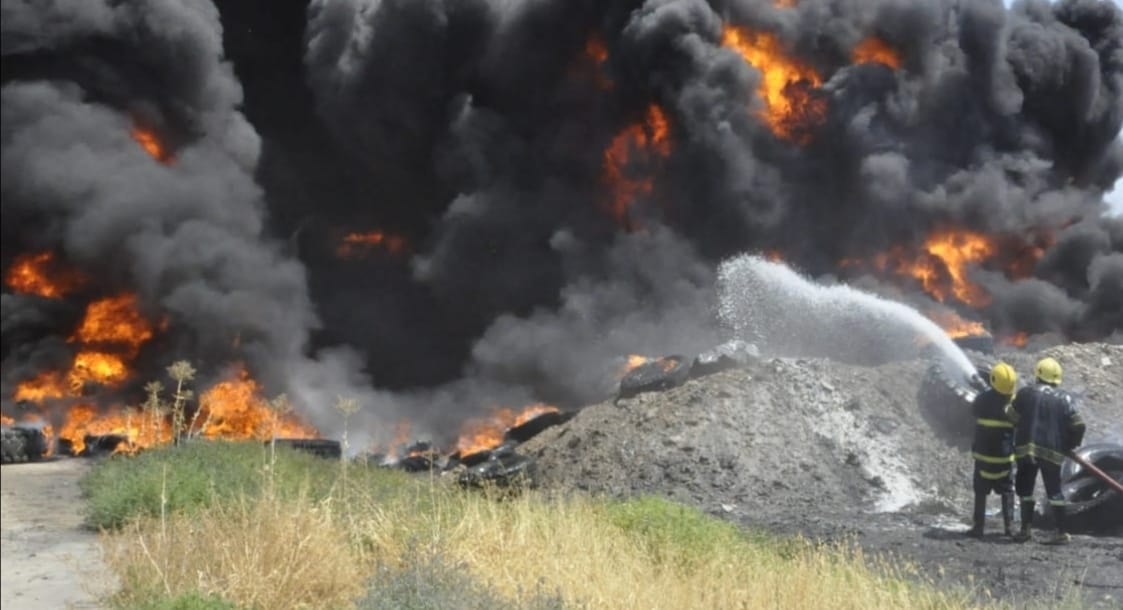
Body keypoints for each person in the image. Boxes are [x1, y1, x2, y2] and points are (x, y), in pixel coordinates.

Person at [1009, 357, 1085, 544]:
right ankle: (1061, 533)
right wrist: (1071, 443)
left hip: (1027, 450)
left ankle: (1025, 530)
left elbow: (1010, 417)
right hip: (1053, 453)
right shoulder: (1065, 398)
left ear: (1038, 375)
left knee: (1025, 490)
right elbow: (1079, 425)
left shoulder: (1025, 393)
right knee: (1055, 492)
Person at [967, 362, 1018, 539]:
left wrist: (983, 391)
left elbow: (974, 410)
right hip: (1004, 458)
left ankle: (978, 527)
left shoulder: (982, 400)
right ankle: (1009, 527)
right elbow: (1018, 420)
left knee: (980, 491)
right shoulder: (1013, 403)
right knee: (1007, 491)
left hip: (983, 457)